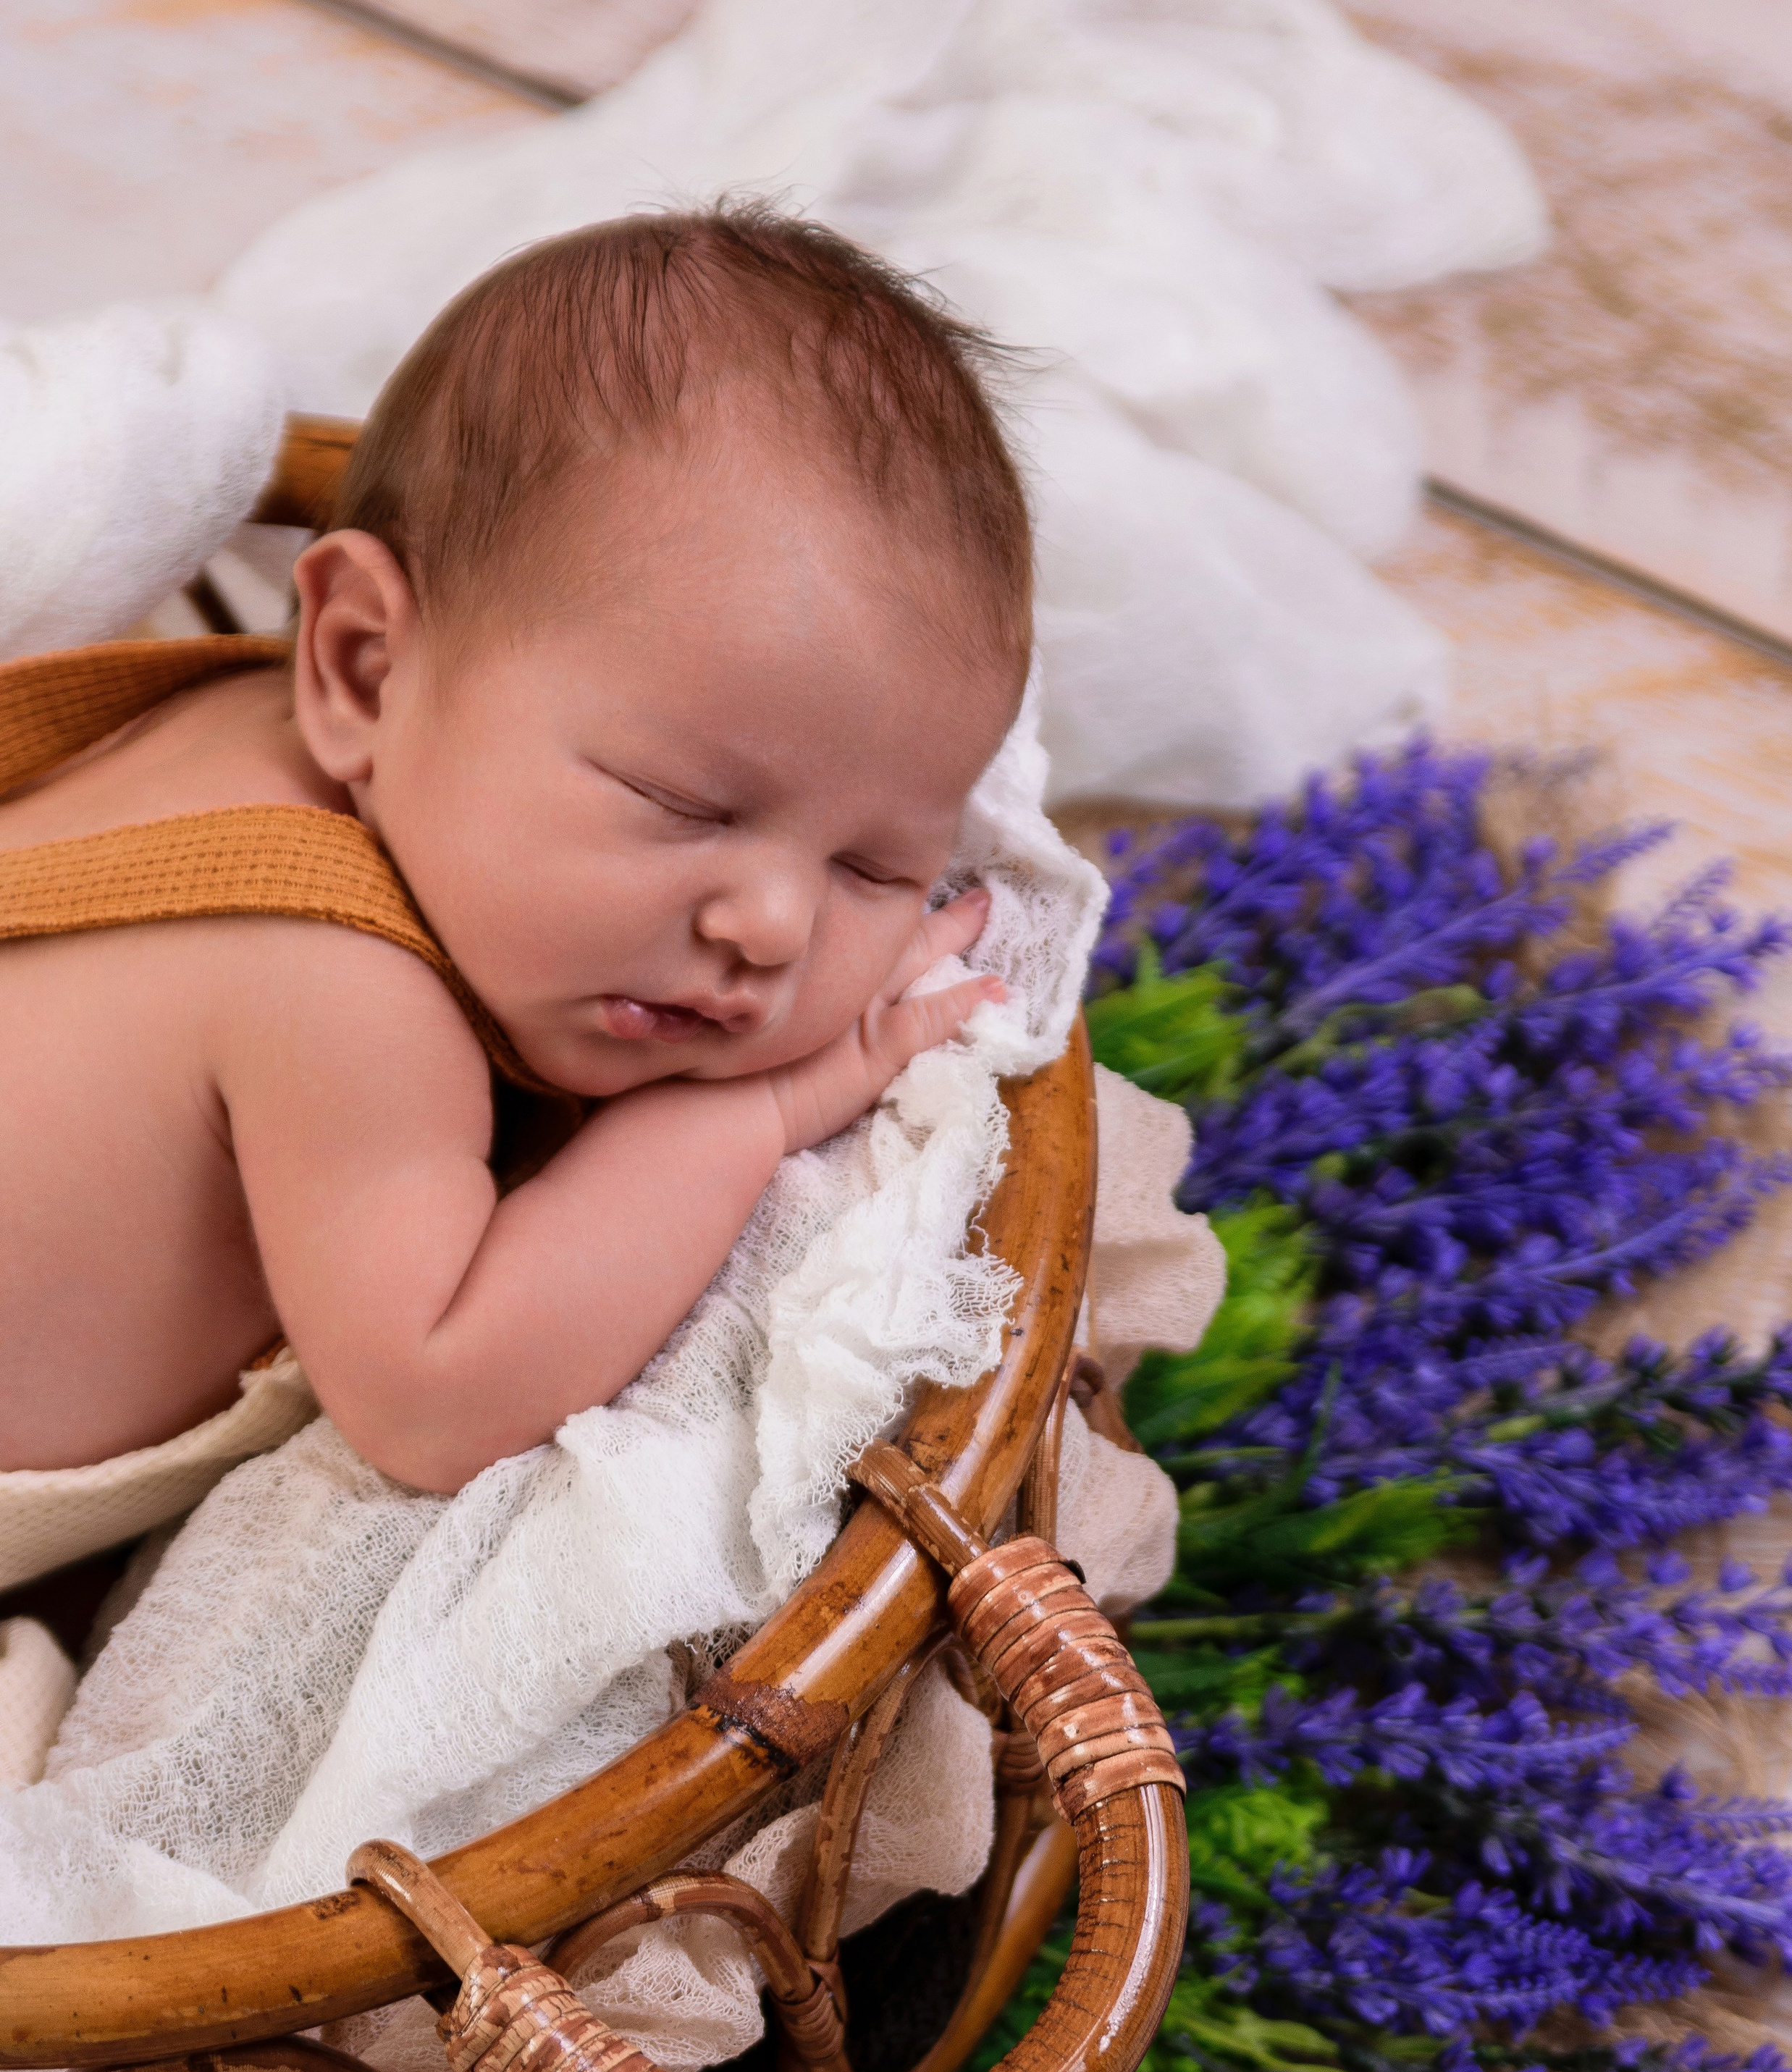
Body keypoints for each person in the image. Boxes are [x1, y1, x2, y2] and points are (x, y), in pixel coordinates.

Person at [0, 209, 1032, 1499]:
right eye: (683, 801)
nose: (773, 926)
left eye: (874, 869)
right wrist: (744, 1116)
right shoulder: (340, 994)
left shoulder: (262, 721)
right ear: (362, 663)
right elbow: (437, 1405)